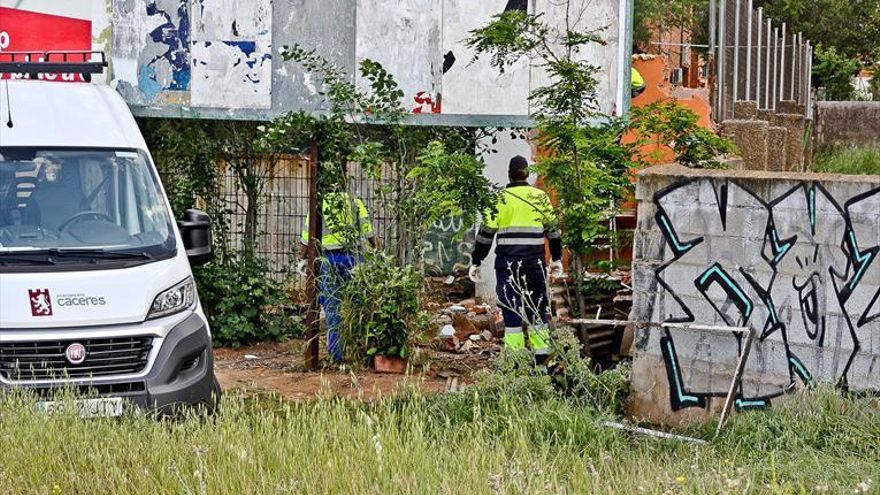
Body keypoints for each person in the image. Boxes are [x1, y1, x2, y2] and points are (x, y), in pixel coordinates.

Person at [469, 156, 563, 361]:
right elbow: (554, 233)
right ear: (527, 174)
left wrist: (476, 260)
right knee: (538, 309)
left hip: (507, 264)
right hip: (534, 262)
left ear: (509, 174)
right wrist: (556, 258)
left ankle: (515, 362)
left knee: (511, 309)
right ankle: (541, 363)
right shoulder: (540, 197)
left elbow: (485, 236)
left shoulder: (499, 199)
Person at [298, 190, 376, 362]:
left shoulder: (320, 203)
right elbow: (368, 231)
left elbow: (306, 235)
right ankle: (361, 352)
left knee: (333, 308)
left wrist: (302, 258)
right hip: (353, 259)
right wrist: (377, 250)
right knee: (358, 305)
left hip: (328, 260)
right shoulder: (355, 202)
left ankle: (336, 355)